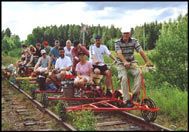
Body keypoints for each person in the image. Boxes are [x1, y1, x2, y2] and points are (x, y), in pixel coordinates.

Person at [115, 31, 153, 107]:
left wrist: (147, 61)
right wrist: (125, 62)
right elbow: (119, 54)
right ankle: (126, 100)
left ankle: (135, 95)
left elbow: (140, 51)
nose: (126, 35)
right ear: (122, 34)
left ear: (130, 34)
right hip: (121, 63)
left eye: (127, 33)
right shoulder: (117, 42)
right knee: (124, 78)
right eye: (124, 33)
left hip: (132, 62)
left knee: (139, 73)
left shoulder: (134, 41)